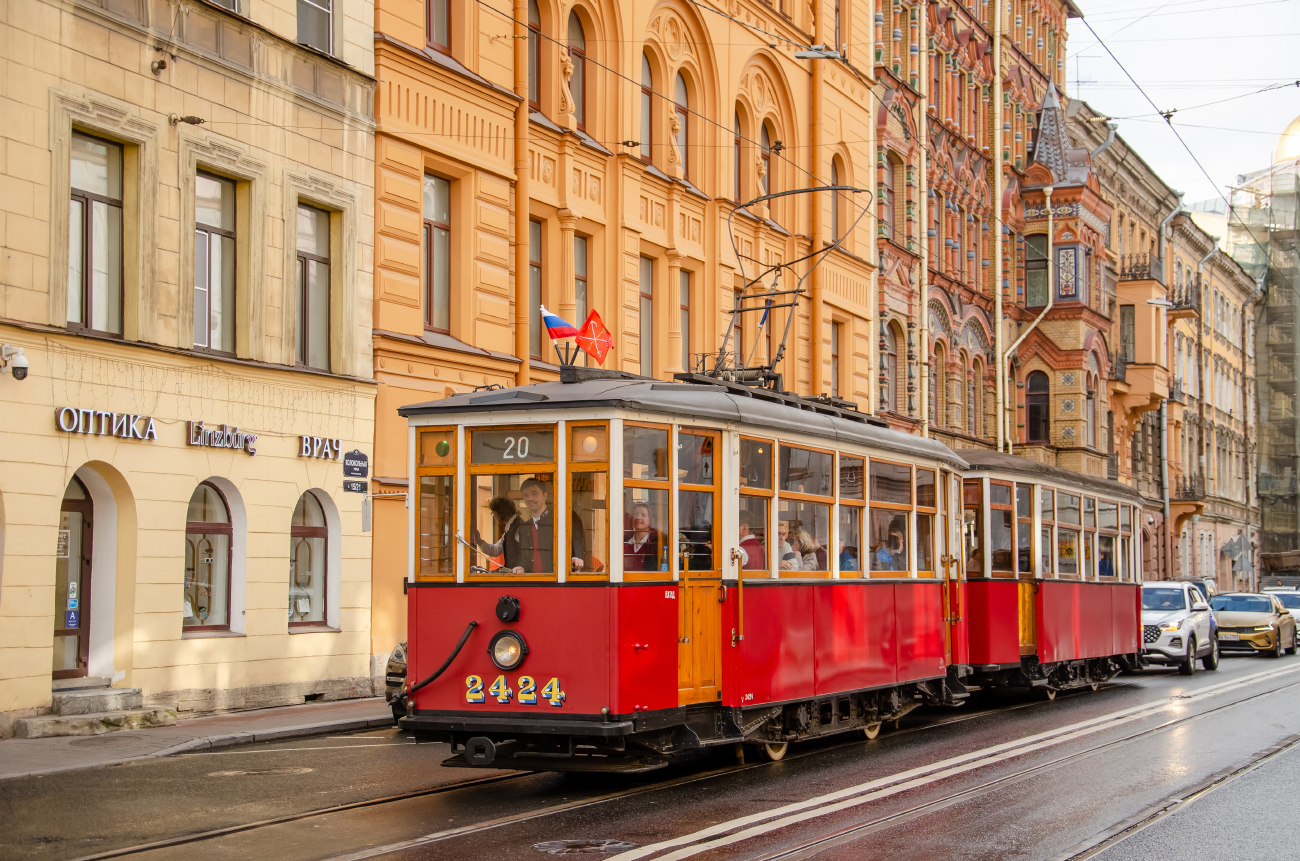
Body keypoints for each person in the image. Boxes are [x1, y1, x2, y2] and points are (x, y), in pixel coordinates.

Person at [513, 478, 586, 574]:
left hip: (556, 582)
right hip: (532, 583)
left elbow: (577, 538)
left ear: (545, 496)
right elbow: (524, 557)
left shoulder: (563, 517)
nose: (530, 498)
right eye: (526, 495)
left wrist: (577, 557)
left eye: (534, 494)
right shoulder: (524, 527)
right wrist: (520, 566)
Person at [475, 496, 520, 570]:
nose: (494, 516)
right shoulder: (510, 529)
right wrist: (479, 541)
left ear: (499, 513)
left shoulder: (518, 528)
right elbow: (496, 550)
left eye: (493, 513)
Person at [623, 502, 662, 571]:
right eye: (635, 515)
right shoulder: (624, 541)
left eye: (643, 515)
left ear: (651, 520)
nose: (638, 518)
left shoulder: (656, 543)